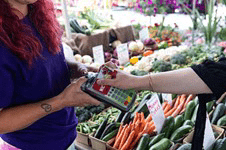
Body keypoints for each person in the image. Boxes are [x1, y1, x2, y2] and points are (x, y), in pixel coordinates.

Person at [0, 0, 101, 150]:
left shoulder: (37, 12)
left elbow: (49, 62)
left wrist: (79, 68)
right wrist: (61, 101)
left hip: (67, 134)